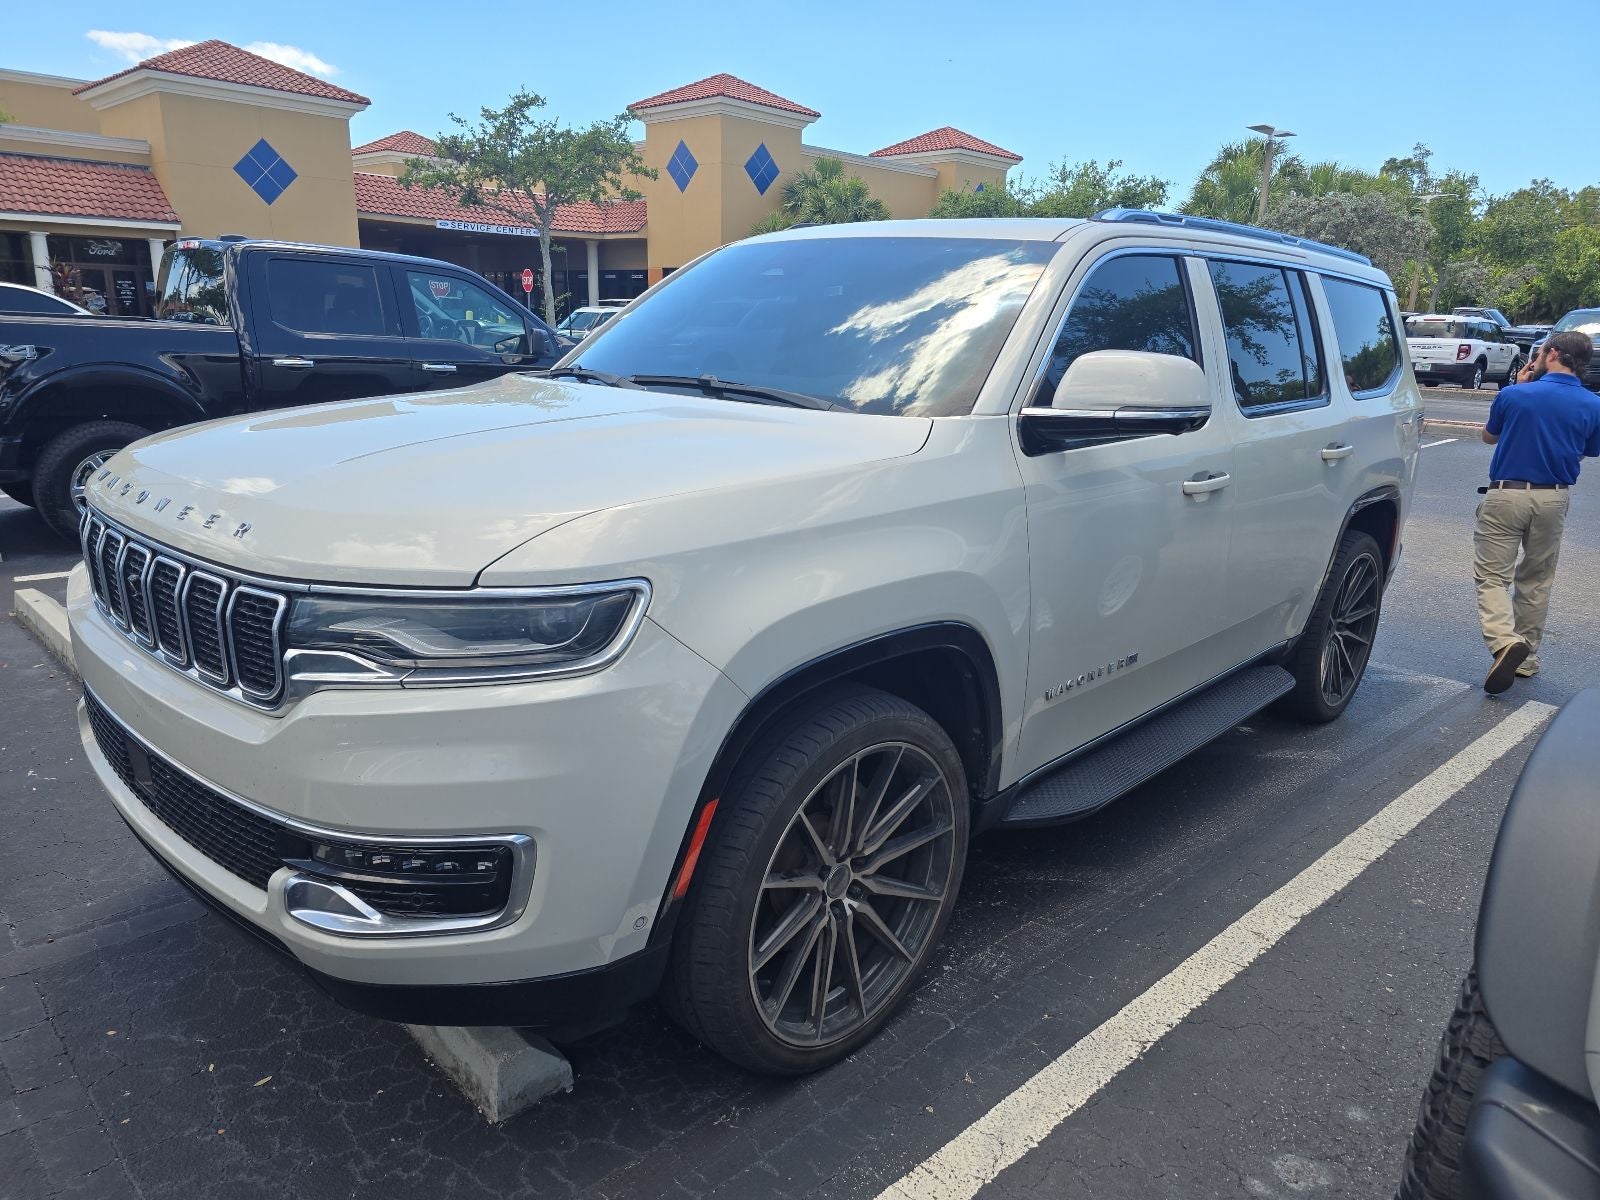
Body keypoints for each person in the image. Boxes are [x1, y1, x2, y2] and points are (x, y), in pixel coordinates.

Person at [1475, 330, 1600, 693]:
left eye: (1542, 350)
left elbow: (1489, 436)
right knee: (1536, 578)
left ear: (1553, 353)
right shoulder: (1593, 405)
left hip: (1507, 495)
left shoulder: (1514, 395)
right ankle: (1525, 659)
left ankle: (1503, 641)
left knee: (1492, 578)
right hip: (1554, 498)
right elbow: (1587, 450)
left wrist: (1518, 384)